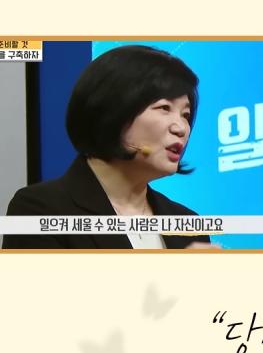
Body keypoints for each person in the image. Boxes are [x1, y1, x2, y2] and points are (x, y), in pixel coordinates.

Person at [5, 44, 202, 236]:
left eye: (185, 115)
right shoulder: (41, 209)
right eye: (164, 108)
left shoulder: (186, 223)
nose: (181, 128)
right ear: (114, 112)